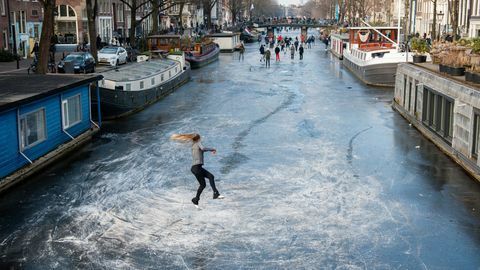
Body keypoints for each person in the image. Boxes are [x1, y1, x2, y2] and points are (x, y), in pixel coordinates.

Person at [171, 133, 224, 207]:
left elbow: (201, 150)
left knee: (203, 184)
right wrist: (213, 149)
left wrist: (210, 150)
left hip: (195, 168)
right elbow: (203, 148)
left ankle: (196, 199)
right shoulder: (198, 143)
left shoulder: (193, 145)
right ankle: (215, 193)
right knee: (210, 177)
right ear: (198, 138)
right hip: (197, 168)